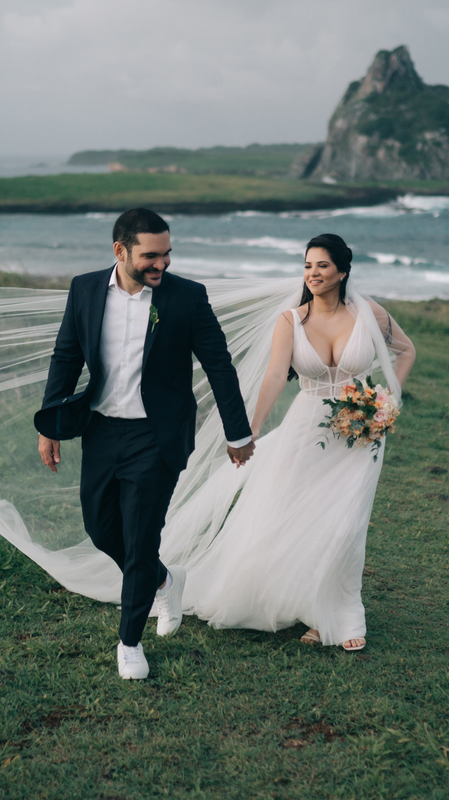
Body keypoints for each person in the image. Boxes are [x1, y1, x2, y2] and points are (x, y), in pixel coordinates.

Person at [34, 208, 255, 680]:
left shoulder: (188, 298)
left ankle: (130, 641)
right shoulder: (86, 289)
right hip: (100, 430)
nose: (162, 264)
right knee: (100, 529)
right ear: (120, 251)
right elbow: (66, 355)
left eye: (167, 254)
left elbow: (220, 366)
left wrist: (238, 433)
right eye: (151, 256)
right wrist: (50, 423)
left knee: (139, 538)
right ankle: (162, 579)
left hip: (156, 437)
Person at [178, 234, 415, 651]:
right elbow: (274, 376)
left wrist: (386, 403)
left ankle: (338, 617)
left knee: (346, 522)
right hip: (307, 429)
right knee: (294, 514)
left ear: (342, 271)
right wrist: (250, 430)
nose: (313, 273)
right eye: (308, 266)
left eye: (322, 265)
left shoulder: (369, 313)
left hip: (361, 433)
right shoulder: (291, 320)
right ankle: (306, 604)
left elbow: (407, 351)